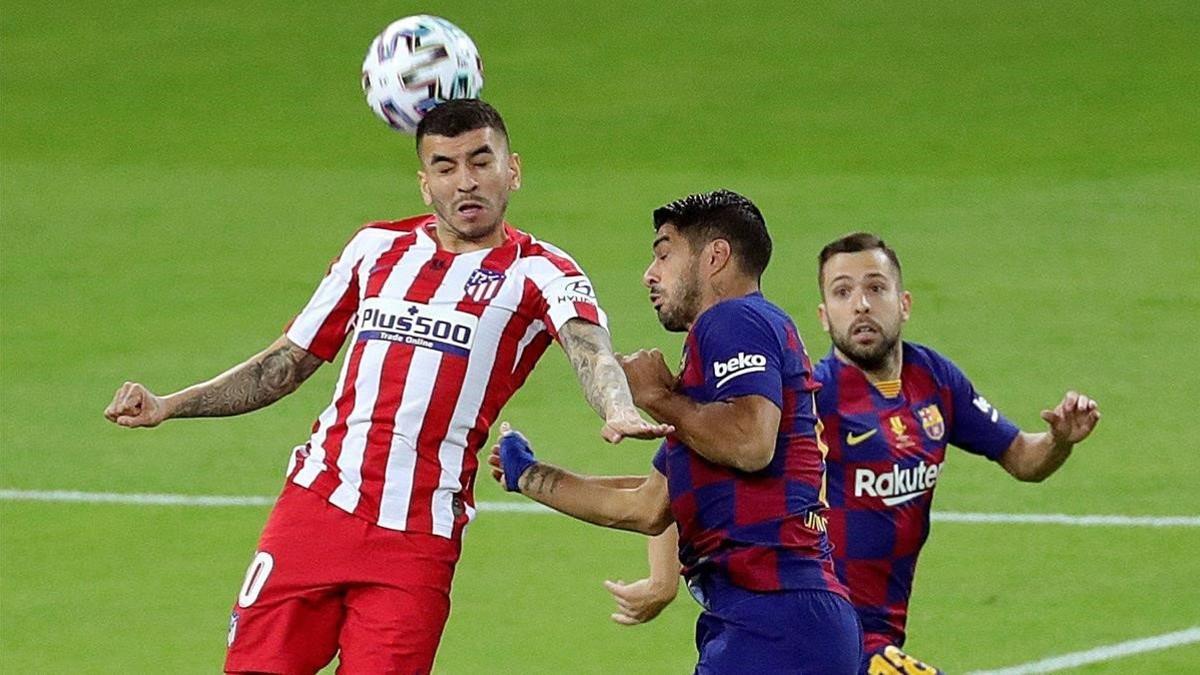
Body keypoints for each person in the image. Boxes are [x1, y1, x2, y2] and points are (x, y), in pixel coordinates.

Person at [102, 99, 670, 674]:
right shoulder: (374, 248)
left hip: (418, 538)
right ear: (425, 184)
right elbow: (286, 364)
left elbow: (590, 349)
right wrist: (169, 405)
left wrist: (617, 405)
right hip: (314, 513)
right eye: (445, 168)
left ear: (513, 170)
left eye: (481, 162)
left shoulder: (543, 271)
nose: (466, 183)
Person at [603, 232, 1101, 675]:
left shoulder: (933, 380)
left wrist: (1058, 439)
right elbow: (686, 464)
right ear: (823, 315)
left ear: (904, 303)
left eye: (875, 288)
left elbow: (1022, 457)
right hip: (819, 632)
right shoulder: (810, 398)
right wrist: (663, 578)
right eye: (842, 292)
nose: (860, 305)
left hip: (873, 639)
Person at [490, 190, 862, 674]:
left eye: (664, 253)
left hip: (776, 618)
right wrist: (529, 475)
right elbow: (644, 508)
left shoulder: (735, 318)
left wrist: (658, 397)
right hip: (776, 620)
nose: (650, 273)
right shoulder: (703, 402)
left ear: (715, 257)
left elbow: (752, 443)